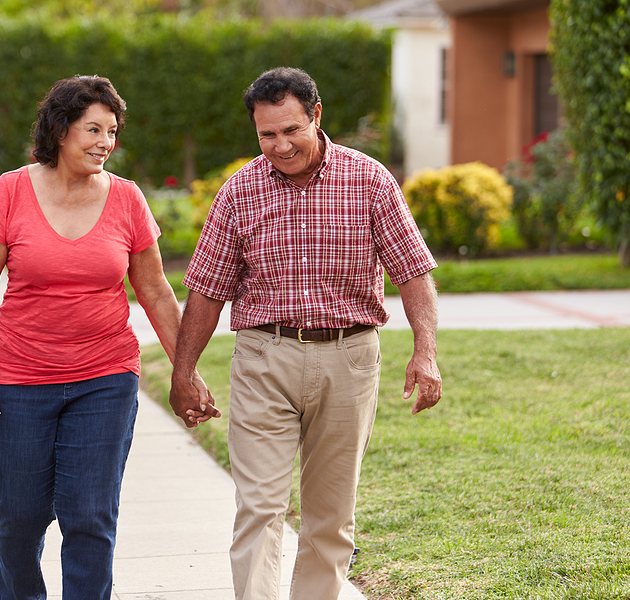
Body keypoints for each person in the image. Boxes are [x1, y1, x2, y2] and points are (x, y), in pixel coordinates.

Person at [169, 67, 442, 600]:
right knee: (259, 507)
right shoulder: (240, 191)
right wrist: (184, 371)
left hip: (349, 357)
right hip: (263, 357)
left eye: (291, 130)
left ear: (317, 117)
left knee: (330, 517)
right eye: (267, 135)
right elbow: (206, 289)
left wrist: (425, 353)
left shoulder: (369, 179)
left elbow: (413, 273)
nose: (280, 146)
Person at [0, 75, 218, 600]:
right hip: (18, 379)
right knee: (20, 515)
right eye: (93, 129)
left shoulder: (125, 199)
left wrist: (185, 372)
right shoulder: (11, 190)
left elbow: (156, 291)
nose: (106, 142)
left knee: (90, 516)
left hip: (104, 378)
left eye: (113, 131)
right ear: (60, 130)